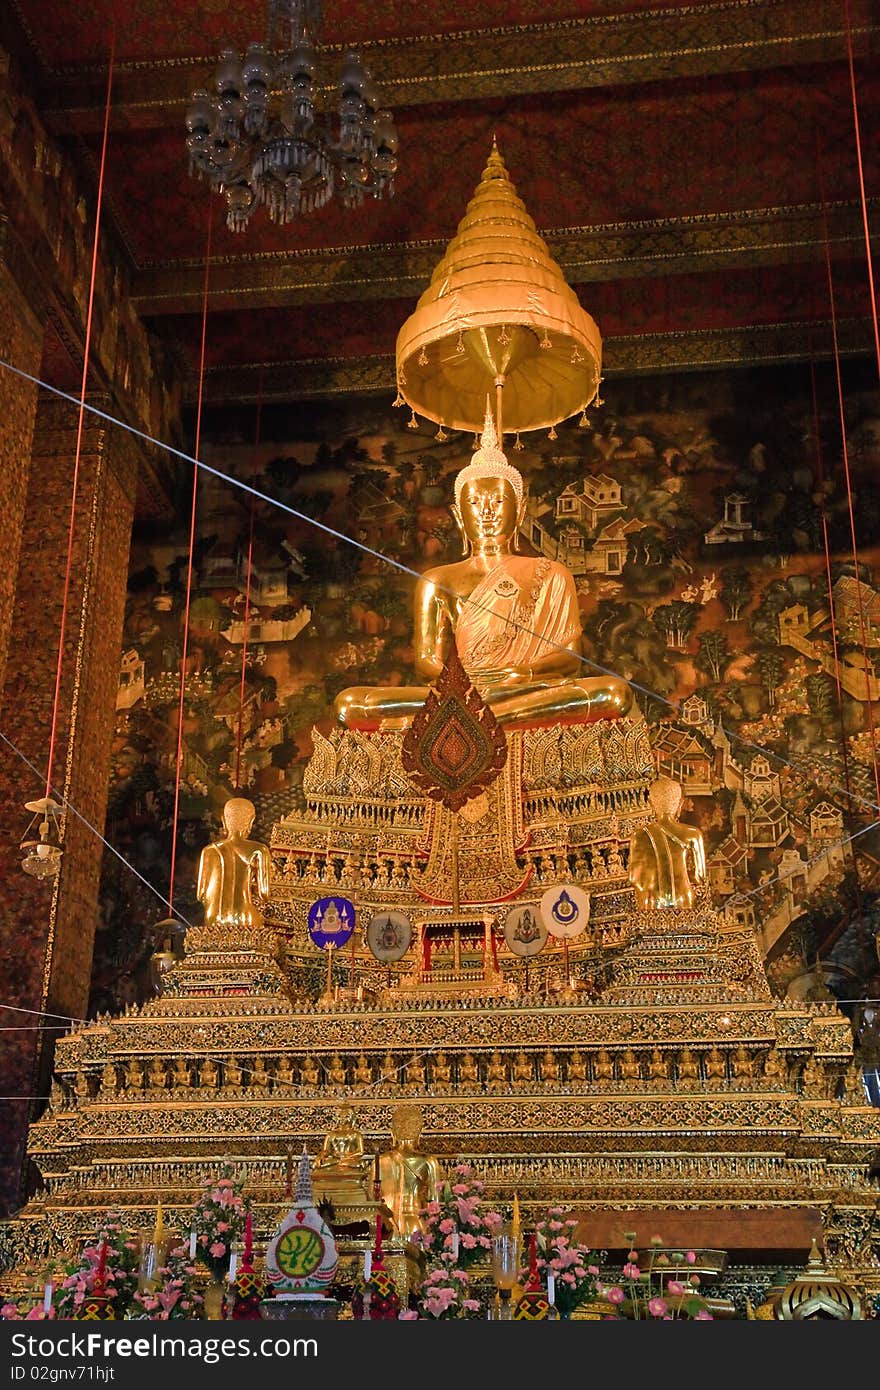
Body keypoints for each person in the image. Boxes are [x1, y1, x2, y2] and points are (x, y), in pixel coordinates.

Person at [333, 406, 632, 730]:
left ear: (519, 512)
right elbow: (427, 664)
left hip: (528, 690)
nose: (487, 512)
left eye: (498, 502)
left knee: (613, 693)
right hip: (459, 691)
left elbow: (570, 658)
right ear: (459, 515)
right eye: (475, 503)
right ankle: (484, 716)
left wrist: (523, 673)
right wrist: (467, 683)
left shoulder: (551, 573)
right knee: (351, 703)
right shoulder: (437, 580)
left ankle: (460, 720)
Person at [628, 777, 707, 910]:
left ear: (651, 803)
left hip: (652, 901)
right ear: (680, 804)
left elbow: (634, 878)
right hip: (683, 900)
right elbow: (700, 876)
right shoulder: (693, 834)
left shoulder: (639, 835)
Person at [196, 796, 271, 931]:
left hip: (213, 918)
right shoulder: (259, 850)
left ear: (224, 820)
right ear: (251, 821)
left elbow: (201, 894)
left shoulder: (208, 851)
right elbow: (264, 893)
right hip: (244, 918)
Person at [378, 1104, 442, 1241]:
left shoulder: (379, 1161)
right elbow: (435, 1205)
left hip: (386, 1227)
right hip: (416, 1223)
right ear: (419, 1133)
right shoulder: (428, 1161)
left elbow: (373, 1202)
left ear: (392, 1133)